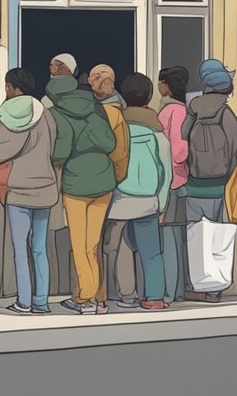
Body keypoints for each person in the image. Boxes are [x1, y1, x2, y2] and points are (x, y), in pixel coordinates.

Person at [0, 69, 61, 315]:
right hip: (45, 188)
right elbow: (53, 142)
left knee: (19, 249)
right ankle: (41, 301)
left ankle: (24, 301)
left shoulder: (8, 114)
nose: (6, 90)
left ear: (13, 88)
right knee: (39, 249)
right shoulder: (45, 113)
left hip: (19, 190)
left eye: (7, 86)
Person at [46, 66, 117, 314]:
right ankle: (98, 299)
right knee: (93, 244)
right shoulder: (96, 109)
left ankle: (85, 297)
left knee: (79, 243)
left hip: (76, 184)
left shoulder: (57, 114)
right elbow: (110, 143)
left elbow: (60, 152)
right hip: (104, 182)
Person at [104, 73, 172, 311]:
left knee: (122, 248)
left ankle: (127, 295)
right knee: (151, 251)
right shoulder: (157, 133)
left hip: (119, 199)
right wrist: (162, 204)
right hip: (148, 200)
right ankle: (154, 296)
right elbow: (166, 173)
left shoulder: (115, 128)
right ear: (149, 97)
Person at [182, 59, 237, 303]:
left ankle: (195, 284)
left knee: (195, 236)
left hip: (194, 184)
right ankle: (214, 288)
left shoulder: (193, 108)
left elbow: (181, 138)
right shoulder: (225, 112)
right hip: (219, 186)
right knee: (217, 238)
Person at [90, 64, 136, 308]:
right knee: (106, 243)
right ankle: (105, 295)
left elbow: (119, 154)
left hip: (103, 184)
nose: (94, 82)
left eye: (99, 79)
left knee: (99, 243)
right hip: (108, 183)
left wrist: (114, 178)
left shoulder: (109, 113)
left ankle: (99, 296)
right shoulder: (117, 110)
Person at [157, 67, 190, 303]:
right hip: (178, 181)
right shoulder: (182, 109)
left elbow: (179, 151)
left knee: (170, 239)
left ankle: (172, 290)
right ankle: (176, 289)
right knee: (176, 239)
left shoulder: (173, 111)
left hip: (172, 182)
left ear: (166, 85)